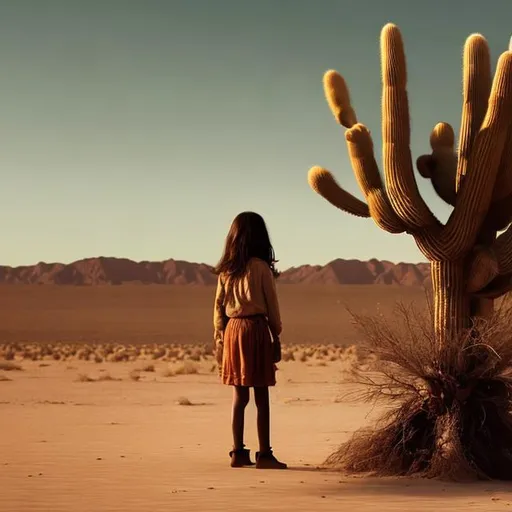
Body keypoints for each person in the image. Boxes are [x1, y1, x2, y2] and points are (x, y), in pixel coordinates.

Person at [213, 211, 287, 470]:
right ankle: (264, 454)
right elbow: (272, 307)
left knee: (239, 396)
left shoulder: (226, 271)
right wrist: (276, 335)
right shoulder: (261, 269)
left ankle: (237, 452)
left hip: (233, 331)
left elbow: (218, 310)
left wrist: (221, 340)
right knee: (261, 395)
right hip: (255, 329)